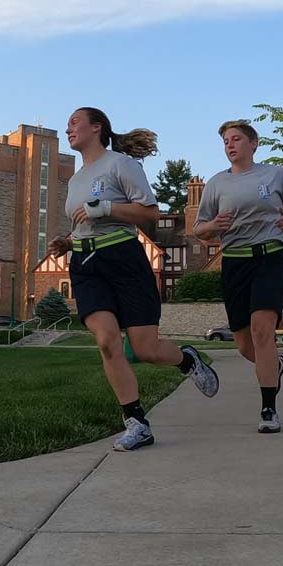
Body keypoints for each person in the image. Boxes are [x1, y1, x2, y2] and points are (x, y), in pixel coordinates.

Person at [49, 106, 219, 452]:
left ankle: (187, 360)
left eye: (74, 123)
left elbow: (150, 213)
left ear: (97, 127)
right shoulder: (75, 179)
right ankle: (137, 422)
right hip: (86, 264)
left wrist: (107, 208)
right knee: (107, 341)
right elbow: (82, 221)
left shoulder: (120, 165)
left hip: (124, 260)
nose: (68, 129)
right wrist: (68, 241)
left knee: (145, 349)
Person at [196, 119, 283, 434]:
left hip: (269, 257)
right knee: (245, 345)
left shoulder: (274, 174)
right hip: (234, 262)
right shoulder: (216, 184)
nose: (229, 145)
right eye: (225, 141)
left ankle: (268, 409)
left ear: (253, 143)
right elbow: (199, 230)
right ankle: (275, 366)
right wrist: (214, 226)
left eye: (235, 139)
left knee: (263, 332)